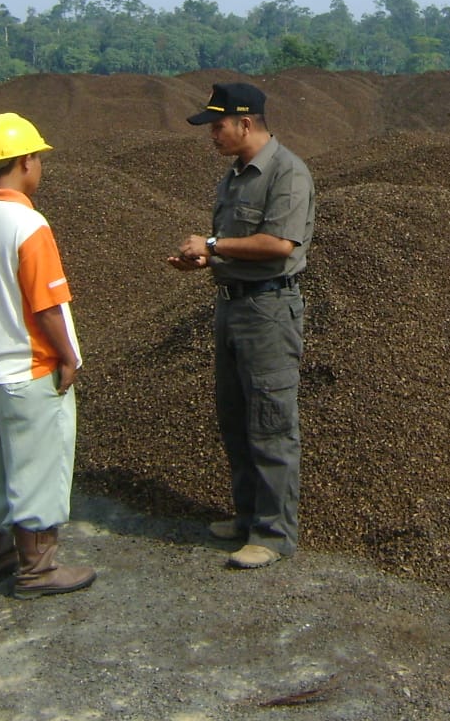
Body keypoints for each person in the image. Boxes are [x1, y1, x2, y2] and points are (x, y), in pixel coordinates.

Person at [0, 112, 94, 598]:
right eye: (38, 159)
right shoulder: (28, 224)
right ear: (26, 161)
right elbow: (46, 305)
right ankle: (37, 569)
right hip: (30, 370)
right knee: (38, 469)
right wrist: (68, 357)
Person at [169, 82, 314, 570]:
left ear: (245, 123)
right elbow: (233, 246)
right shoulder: (233, 177)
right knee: (235, 417)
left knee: (271, 422)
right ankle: (248, 516)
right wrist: (205, 260)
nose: (212, 135)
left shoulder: (287, 172)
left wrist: (212, 246)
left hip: (269, 311)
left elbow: (279, 244)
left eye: (218, 126)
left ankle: (273, 535)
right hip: (231, 305)